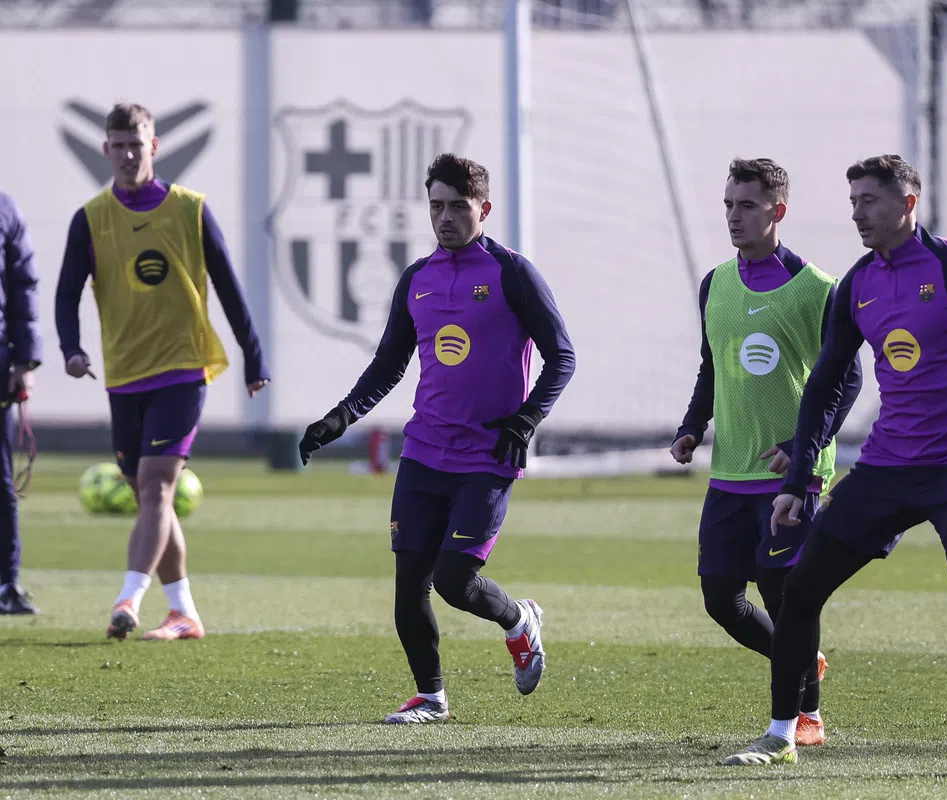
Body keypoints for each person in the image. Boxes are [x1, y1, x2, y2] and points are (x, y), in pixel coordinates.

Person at [722, 154, 947, 773]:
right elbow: (824, 384)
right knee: (800, 587)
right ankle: (782, 734)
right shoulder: (858, 283)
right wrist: (797, 481)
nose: (857, 214)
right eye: (852, 202)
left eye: (868, 201)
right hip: (887, 468)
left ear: (908, 202)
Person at [298, 153, 575, 724]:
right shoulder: (417, 279)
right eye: (436, 206)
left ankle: (519, 620)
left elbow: (562, 356)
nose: (445, 217)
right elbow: (388, 364)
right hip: (424, 452)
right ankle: (431, 698)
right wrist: (340, 417)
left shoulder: (511, 273)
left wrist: (527, 419)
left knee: (454, 579)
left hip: (488, 455)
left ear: (484, 209)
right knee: (409, 589)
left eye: (457, 207)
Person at [55, 102, 270, 641]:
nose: (128, 155)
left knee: (154, 487)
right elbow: (65, 293)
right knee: (151, 495)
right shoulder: (90, 218)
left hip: (182, 368)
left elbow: (228, 284)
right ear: (105, 149)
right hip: (124, 373)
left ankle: (128, 599)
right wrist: (70, 349)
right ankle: (183, 612)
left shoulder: (190, 209)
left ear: (154, 146)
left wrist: (253, 354)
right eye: (119, 145)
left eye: (137, 145)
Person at [671, 158, 862, 746]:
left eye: (747, 205)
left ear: (777, 211)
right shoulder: (715, 284)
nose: (734, 216)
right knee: (720, 599)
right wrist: (692, 425)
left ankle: (808, 716)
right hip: (730, 471)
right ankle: (802, 657)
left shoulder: (817, 289)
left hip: (792, 477)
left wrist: (804, 447)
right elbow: (711, 366)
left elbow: (848, 380)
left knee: (785, 598)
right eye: (729, 204)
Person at [0, 190, 42, 615]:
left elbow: (22, 283)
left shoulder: (4, 207)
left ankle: (5, 585)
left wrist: (25, 359)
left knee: (1, 482)